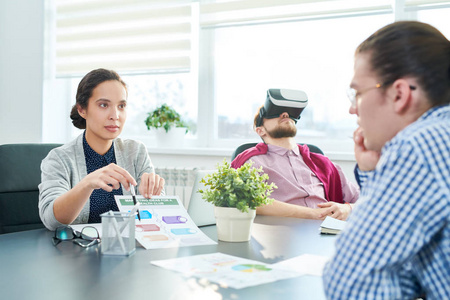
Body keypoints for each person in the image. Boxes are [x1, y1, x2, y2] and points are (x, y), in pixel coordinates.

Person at [323, 21, 450, 299]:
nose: (352, 108)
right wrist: (375, 171)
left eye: (358, 92)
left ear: (399, 94)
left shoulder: (420, 145)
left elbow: (350, 285)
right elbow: (411, 272)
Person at [39, 68, 165, 231]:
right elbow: (52, 221)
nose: (115, 115)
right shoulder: (58, 159)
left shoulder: (135, 152)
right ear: (82, 109)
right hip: (76, 252)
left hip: (125, 249)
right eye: (104, 105)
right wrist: (86, 185)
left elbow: (155, 219)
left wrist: (152, 195)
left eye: (121, 106)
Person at [231, 92, 359, 220]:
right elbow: (246, 199)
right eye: (275, 113)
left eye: (287, 113)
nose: (285, 114)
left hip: (328, 231)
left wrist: (348, 208)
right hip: (282, 233)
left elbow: (365, 199)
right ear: (260, 130)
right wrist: (313, 214)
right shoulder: (253, 162)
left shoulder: (325, 164)